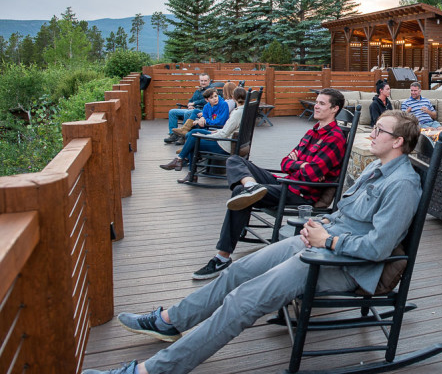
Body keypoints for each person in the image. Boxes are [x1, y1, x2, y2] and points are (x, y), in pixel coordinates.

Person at [82, 111, 423, 374]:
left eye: (379, 129)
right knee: (238, 271)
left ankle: (154, 369)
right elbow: (346, 213)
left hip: (345, 265)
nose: (371, 133)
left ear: (397, 142)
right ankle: (171, 320)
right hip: (322, 243)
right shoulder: (375, 169)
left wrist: (329, 240)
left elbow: (378, 248)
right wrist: (320, 224)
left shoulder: (403, 185)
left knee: (242, 301)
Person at [191, 88, 347, 281]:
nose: (316, 105)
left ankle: (221, 257)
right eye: (316, 101)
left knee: (239, 193)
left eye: (322, 103)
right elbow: (284, 162)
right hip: (287, 182)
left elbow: (312, 174)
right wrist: (300, 164)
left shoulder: (336, 138)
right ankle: (251, 186)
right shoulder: (311, 132)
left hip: (300, 193)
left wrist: (296, 164)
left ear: (334, 109)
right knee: (235, 160)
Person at [160, 87, 248, 182]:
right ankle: (180, 159)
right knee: (192, 133)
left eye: (215, 96)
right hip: (228, 139)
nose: (215, 98)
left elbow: (223, 134)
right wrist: (211, 128)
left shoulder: (237, 113)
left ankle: (186, 168)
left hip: (225, 144)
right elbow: (227, 130)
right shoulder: (245, 110)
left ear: (234, 98)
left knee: (193, 141)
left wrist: (207, 136)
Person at [164, 73, 213, 144]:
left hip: (201, 110)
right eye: (201, 81)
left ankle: (183, 136)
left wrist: (194, 103)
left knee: (187, 113)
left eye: (205, 81)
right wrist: (190, 105)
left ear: (209, 81)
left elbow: (206, 101)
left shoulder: (211, 91)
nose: (203, 82)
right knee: (172, 112)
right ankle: (173, 134)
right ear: (199, 81)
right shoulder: (198, 91)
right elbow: (191, 100)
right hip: (192, 109)